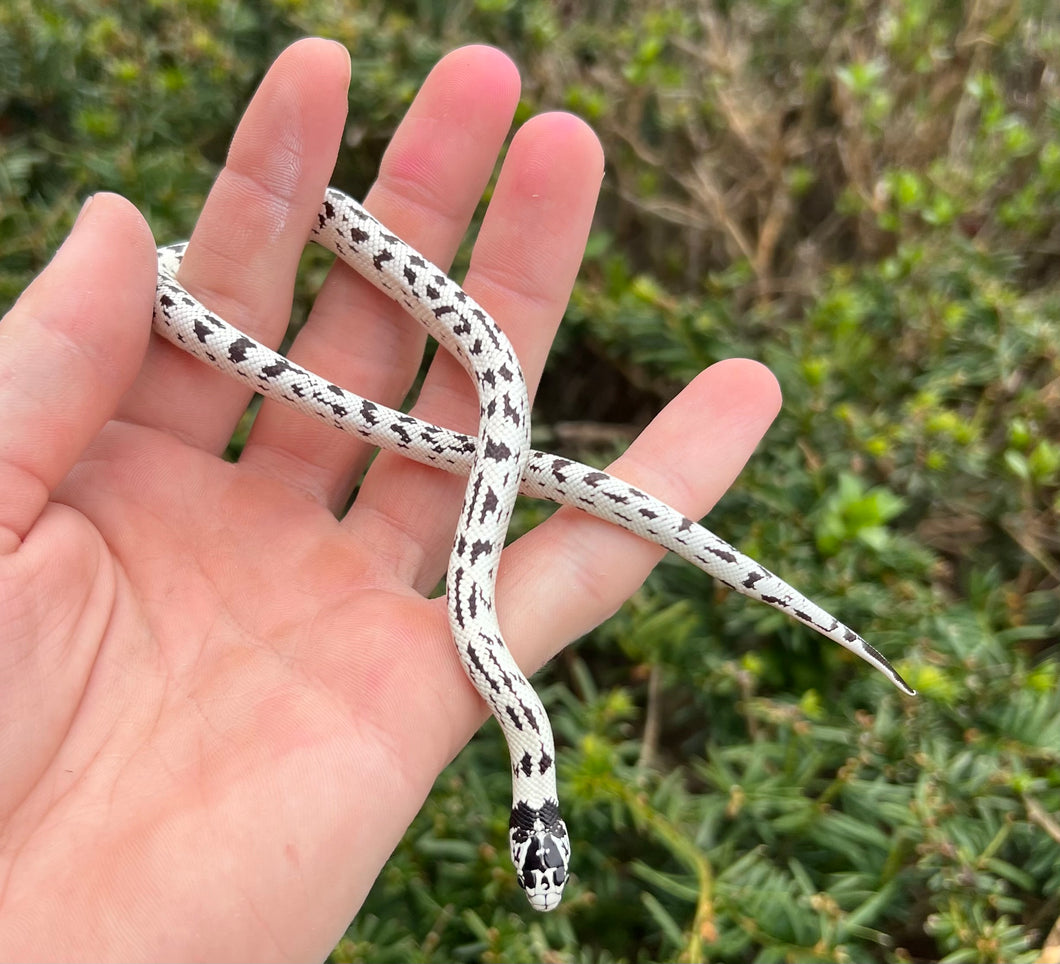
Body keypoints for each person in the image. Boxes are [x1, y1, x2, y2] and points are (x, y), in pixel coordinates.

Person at [0, 37, 780, 959]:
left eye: (537, 860)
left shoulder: (522, 723)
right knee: (481, 394)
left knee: (489, 386)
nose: (537, 866)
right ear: (542, 824)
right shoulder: (516, 713)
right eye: (541, 857)